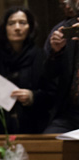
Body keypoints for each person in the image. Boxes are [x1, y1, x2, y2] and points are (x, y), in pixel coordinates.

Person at [0, 7, 48, 136]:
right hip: (1, 130)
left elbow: (51, 94)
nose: (17, 27)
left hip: (34, 128)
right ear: (5, 28)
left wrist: (32, 96)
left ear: (30, 27)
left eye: (22, 23)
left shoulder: (40, 57)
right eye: (12, 23)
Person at [43, 1, 79, 133]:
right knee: (47, 145)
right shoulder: (67, 28)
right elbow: (49, 75)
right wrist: (56, 52)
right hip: (71, 113)